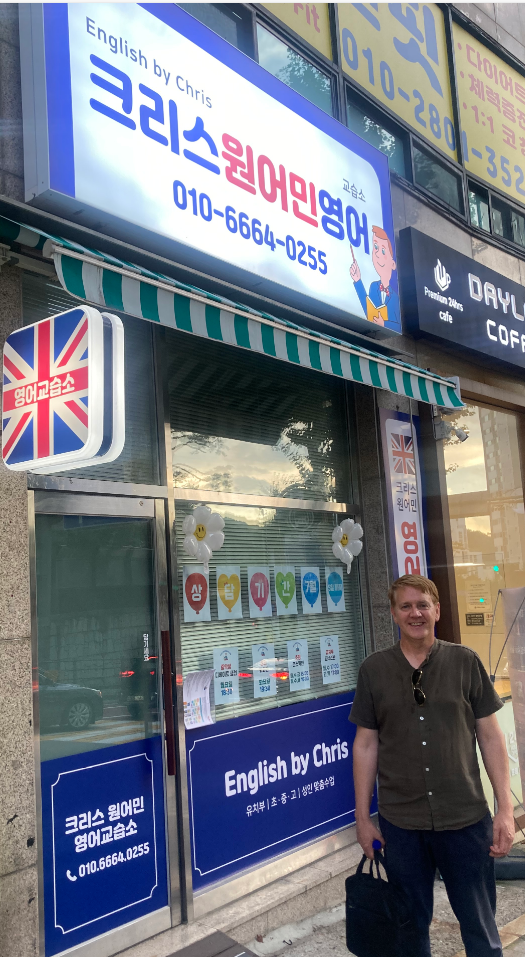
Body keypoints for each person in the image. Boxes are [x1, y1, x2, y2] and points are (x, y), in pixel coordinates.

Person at [350, 574, 515, 957]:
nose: (415, 613)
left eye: (423, 605)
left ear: (437, 610)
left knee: (480, 927)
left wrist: (505, 810)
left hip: (465, 819)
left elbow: (491, 737)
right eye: (406, 606)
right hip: (401, 825)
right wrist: (362, 818)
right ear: (394, 614)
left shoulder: (464, 662)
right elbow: (365, 745)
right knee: (409, 929)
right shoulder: (374, 670)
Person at [349, 225, 400, 327]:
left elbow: (398, 326)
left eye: (383, 251)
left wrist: (384, 324)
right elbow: (368, 309)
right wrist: (358, 280)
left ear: (393, 264)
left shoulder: (395, 297)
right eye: (375, 247)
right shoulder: (374, 287)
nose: (377, 254)